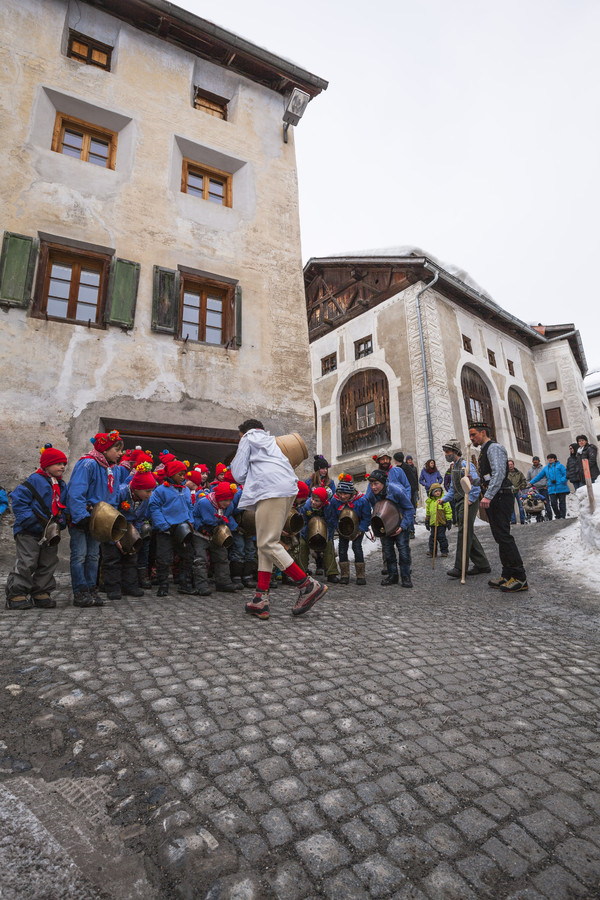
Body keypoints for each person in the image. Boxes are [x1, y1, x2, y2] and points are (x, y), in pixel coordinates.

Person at [230, 419, 327, 620]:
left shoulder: (247, 438)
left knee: (267, 543)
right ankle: (260, 599)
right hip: (287, 489)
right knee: (266, 544)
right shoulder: (271, 441)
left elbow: (238, 474)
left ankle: (307, 585)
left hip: (269, 490)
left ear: (244, 432)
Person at [5, 443, 68, 610]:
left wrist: (61, 522)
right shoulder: (34, 480)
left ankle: (41, 591)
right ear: (47, 465)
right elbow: (19, 501)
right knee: (27, 561)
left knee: (48, 561)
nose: (62, 467)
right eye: (58, 464)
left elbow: (62, 504)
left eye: (63, 464)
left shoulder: (61, 484)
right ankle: (16, 593)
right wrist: (31, 522)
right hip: (28, 530)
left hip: (49, 531)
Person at [67, 430, 125, 608]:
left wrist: (111, 520)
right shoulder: (88, 464)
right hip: (82, 518)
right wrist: (81, 516)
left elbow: (112, 497)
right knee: (80, 556)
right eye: (117, 449)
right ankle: (80, 591)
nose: (120, 453)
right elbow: (76, 492)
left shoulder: (111, 469)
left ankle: (91, 588)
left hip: (98, 520)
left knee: (93, 556)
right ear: (105, 450)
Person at [469, 422, 528, 592]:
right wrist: (475, 481)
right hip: (495, 496)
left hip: (501, 496)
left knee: (504, 536)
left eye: (474, 434)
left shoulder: (494, 448)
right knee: (499, 537)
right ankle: (507, 574)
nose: (472, 438)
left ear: (483, 432)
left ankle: (520, 577)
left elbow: (499, 473)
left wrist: (488, 495)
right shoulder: (484, 450)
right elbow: (488, 476)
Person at [102, 463, 157, 600]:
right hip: (113, 527)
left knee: (131, 557)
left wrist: (134, 538)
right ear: (137, 488)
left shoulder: (144, 499)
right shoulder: (120, 493)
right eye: (147, 491)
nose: (150, 495)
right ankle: (113, 587)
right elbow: (110, 515)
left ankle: (129, 585)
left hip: (129, 528)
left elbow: (139, 519)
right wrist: (116, 539)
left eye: (151, 491)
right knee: (112, 558)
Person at [440, 439, 491, 578]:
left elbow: (475, 483)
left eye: (448, 451)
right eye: (445, 451)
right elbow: (453, 487)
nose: (446, 454)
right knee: (467, 532)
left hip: (468, 501)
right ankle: (482, 564)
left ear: (455, 452)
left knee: (464, 532)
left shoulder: (464, 464)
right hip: (459, 500)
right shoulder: (454, 467)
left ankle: (459, 567)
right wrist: (444, 499)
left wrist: (472, 500)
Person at [148, 459, 194, 597]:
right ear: (172, 474)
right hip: (166, 529)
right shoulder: (161, 490)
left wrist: (190, 521)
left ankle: (184, 583)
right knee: (164, 557)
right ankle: (163, 585)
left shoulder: (185, 490)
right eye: (180, 474)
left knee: (187, 555)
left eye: (184, 474)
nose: (182, 477)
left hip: (183, 528)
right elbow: (154, 507)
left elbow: (190, 507)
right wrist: (162, 525)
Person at [366, 469, 415, 588]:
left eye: (376, 484)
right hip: (384, 525)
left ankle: (405, 576)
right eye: (371, 484)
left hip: (400, 524)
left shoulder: (396, 491)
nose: (373, 487)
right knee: (388, 552)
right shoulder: (373, 494)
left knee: (403, 551)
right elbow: (371, 504)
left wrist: (403, 526)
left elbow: (409, 509)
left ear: (383, 483)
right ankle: (393, 575)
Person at [192, 481, 239, 596]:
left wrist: (234, 527)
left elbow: (227, 517)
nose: (227, 503)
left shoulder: (229, 505)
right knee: (200, 559)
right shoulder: (205, 503)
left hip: (216, 533)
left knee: (222, 556)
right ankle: (201, 585)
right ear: (218, 498)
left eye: (230, 500)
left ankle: (223, 582)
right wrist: (201, 527)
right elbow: (197, 517)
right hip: (200, 533)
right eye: (225, 500)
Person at [329, 474, 371, 585]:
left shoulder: (362, 500)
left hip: (358, 528)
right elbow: (332, 516)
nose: (342, 496)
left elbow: (366, 517)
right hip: (342, 528)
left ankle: (360, 575)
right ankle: (344, 574)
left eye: (345, 494)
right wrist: (337, 528)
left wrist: (360, 530)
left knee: (357, 548)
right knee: (342, 549)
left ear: (351, 492)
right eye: (340, 493)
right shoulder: (335, 500)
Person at [298, 487, 339, 583]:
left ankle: (331, 573)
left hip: (324, 531)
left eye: (317, 501)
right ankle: (301, 573)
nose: (313, 502)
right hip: (307, 531)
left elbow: (331, 523)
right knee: (302, 546)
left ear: (323, 502)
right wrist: (306, 535)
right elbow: (302, 522)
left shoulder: (328, 507)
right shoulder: (306, 506)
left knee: (329, 546)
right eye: (312, 499)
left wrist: (327, 537)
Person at [529, 453, 569, 520]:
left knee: (562, 503)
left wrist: (561, 481)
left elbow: (566, 474)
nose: (550, 459)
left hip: (561, 487)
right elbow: (539, 476)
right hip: (552, 489)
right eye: (549, 458)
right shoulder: (546, 468)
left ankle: (562, 516)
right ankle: (558, 515)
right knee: (553, 503)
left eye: (551, 458)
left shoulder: (560, 466)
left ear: (555, 459)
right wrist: (531, 482)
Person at [425, 484, 452, 558]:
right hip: (433, 524)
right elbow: (428, 512)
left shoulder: (444, 500)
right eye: (435, 491)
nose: (437, 493)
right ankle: (432, 552)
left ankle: (444, 551)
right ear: (431, 492)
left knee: (441, 537)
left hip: (441, 523)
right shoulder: (430, 502)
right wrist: (427, 521)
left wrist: (449, 520)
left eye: (439, 491)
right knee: (432, 538)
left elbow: (448, 511)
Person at [526, 457, 552, 521]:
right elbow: (527, 480)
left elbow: (548, 478)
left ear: (539, 461)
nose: (535, 462)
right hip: (535, 490)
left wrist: (547, 485)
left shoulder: (544, 469)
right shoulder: (530, 470)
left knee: (546, 502)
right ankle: (538, 518)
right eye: (534, 461)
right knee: (536, 503)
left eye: (536, 461)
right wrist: (531, 486)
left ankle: (549, 516)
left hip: (544, 488)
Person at [507, 459, 528, 525]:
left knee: (521, 506)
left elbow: (524, 481)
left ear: (513, 465)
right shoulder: (505, 473)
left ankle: (523, 519)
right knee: (511, 507)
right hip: (510, 492)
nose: (510, 466)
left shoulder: (519, 473)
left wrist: (522, 486)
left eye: (511, 464)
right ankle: (513, 520)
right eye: (509, 465)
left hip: (518, 491)